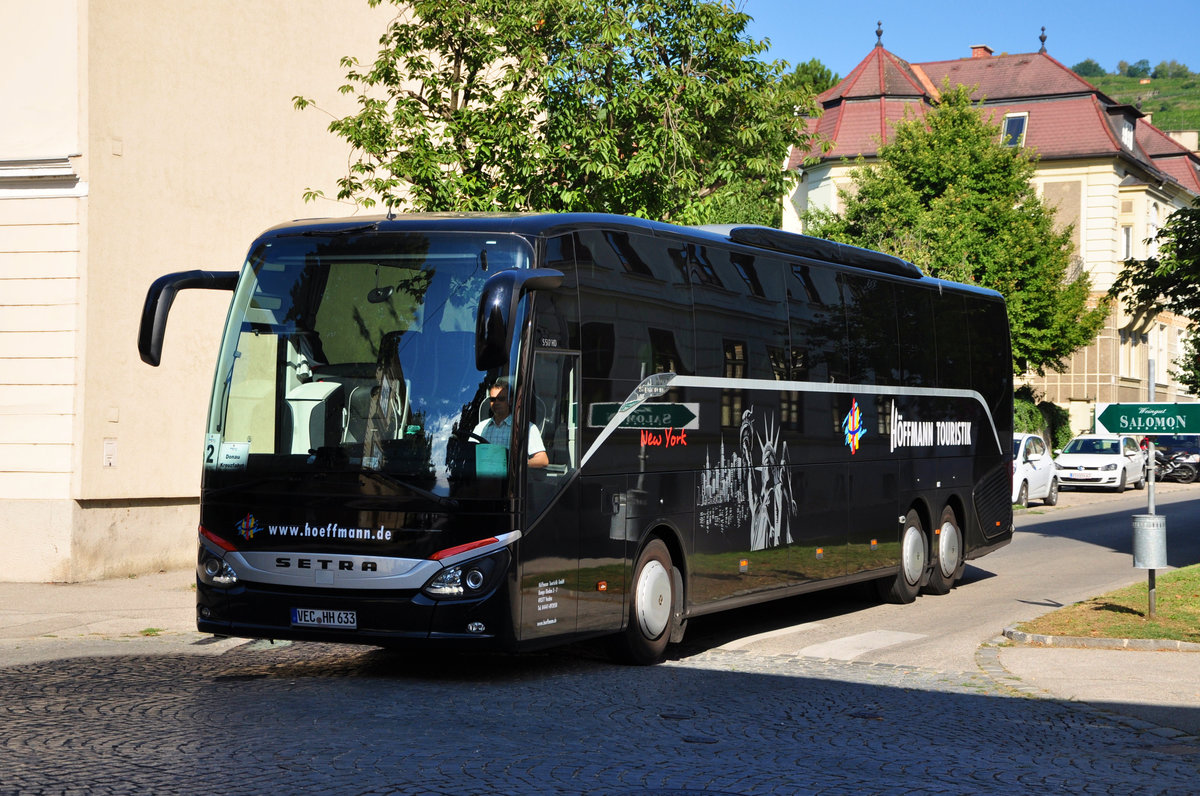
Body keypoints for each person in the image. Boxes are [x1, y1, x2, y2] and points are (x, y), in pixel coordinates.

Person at [473, 378, 548, 468]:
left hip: (510, 480)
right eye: (493, 399)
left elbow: (542, 459)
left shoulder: (526, 427)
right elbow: (470, 454)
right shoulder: (480, 427)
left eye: (501, 399)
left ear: (511, 400)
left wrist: (517, 464)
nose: (496, 402)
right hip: (482, 478)